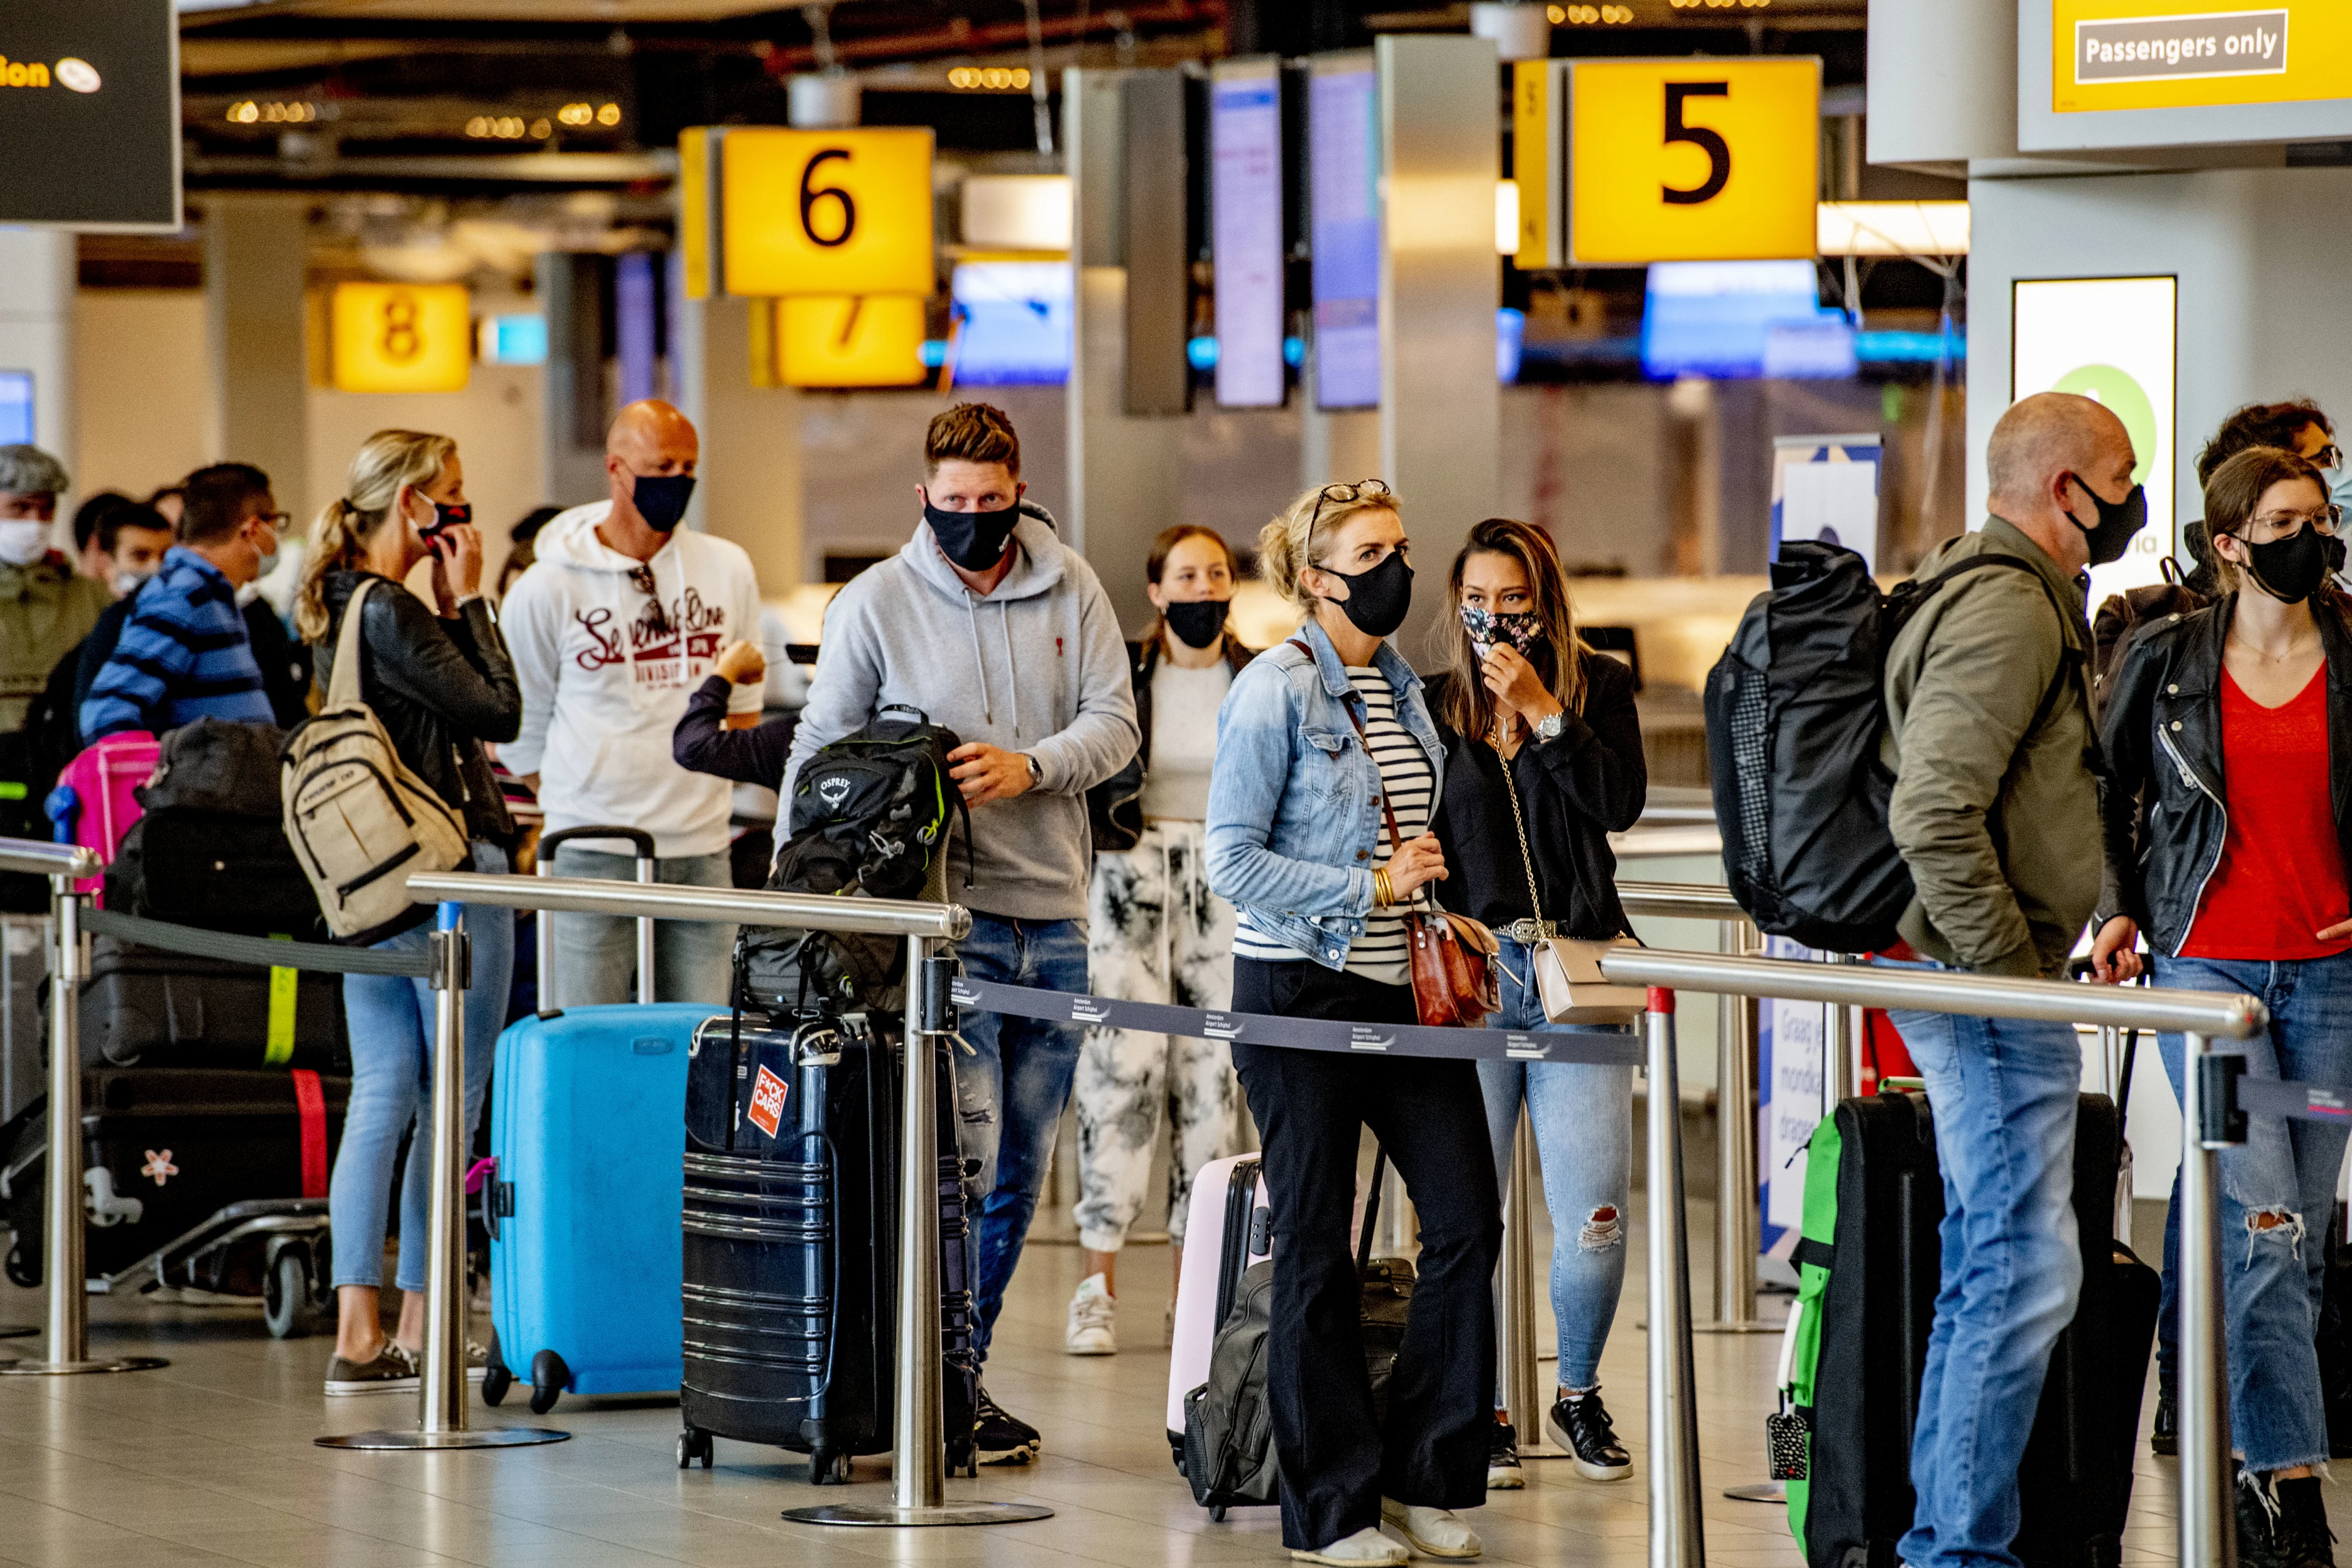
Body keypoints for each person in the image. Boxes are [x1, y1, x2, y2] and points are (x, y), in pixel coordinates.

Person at [782, 401, 1137, 1465]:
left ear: (1018, 493)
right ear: (924, 500)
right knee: (961, 1163)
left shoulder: (1072, 583)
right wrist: (792, 886)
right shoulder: (878, 602)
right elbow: (820, 743)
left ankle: (955, 1374)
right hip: (946, 931)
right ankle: (941, 1379)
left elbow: (1116, 722)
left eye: (993, 503)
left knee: (1021, 1172)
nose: (975, 521)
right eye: (955, 504)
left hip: (1057, 920)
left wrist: (1034, 765)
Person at [1205, 480, 1499, 1567]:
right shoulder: (1275, 691)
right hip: (1300, 993)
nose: (1396, 566)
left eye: (1402, 546)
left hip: (1405, 993)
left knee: (1468, 1222)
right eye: (1372, 550)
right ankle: (1330, 1509)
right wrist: (1368, 886)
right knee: (1320, 1247)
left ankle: (1428, 1471)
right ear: (1315, 576)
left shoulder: (1407, 694)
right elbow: (1230, 861)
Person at [1877, 391, 2139, 1568]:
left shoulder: (2001, 591)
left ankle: (1954, 1535)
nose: (2132, 501)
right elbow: (1932, 811)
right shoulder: (2008, 608)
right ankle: (1958, 1553)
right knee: (2019, 1264)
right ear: (2064, 492)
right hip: (1986, 982)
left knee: (2001, 1259)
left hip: (1994, 969)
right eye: (2119, 476)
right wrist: (2008, 975)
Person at [2094, 444, 2348, 1568]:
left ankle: (2227, 1424)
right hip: (2209, 978)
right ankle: (2287, 1483)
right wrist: (2113, 910)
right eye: (2289, 518)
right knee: (2263, 1223)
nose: (2315, 535)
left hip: (2332, 979)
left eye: (2323, 515)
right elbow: (2103, 790)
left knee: (2301, 1242)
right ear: (2231, 542)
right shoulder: (2166, 657)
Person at [293, 430, 521, 1395]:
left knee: (382, 1093)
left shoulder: (333, 607)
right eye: (454, 495)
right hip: (445, 874)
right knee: (452, 1101)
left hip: (365, 882)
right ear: (414, 505)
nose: (465, 511)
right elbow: (498, 709)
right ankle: (424, 1322)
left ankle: (357, 1331)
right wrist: (471, 597)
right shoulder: (391, 606)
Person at [1425, 517, 1645, 1489]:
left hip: (1579, 975)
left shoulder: (1601, 686)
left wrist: (1548, 712)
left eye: (1512, 599)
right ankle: (1486, 1407)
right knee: (1468, 1214)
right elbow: (1410, 829)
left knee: (1594, 1213)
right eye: (1476, 599)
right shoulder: (1432, 705)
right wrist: (1439, 908)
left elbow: (1619, 803)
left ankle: (1578, 1391)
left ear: (1544, 601)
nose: (1493, 618)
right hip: (1474, 984)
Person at [500, 399, 764, 1008]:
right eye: (661, 465)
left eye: (688, 466)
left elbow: (744, 711)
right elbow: (521, 726)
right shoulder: (548, 585)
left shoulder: (727, 568)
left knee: (701, 1040)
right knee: (586, 1033)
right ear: (617, 470)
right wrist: (581, 791)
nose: (678, 480)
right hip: (589, 849)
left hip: (701, 847)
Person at [1065, 524, 1253, 1357]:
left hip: (1228, 883)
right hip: (1130, 880)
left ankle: (1196, 1296)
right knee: (1118, 1074)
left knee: (1214, 1086)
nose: (1203, 588)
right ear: (1156, 590)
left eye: (1216, 573)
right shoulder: (1122, 677)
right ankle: (1096, 1286)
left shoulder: (1257, 678)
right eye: (1186, 574)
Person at [79, 462, 282, 742]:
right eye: (277, 526)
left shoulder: (208, 593)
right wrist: (164, 780)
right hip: (201, 787)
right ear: (253, 530)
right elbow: (105, 713)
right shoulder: (183, 595)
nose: (277, 541)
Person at [0, 445, 109, 732]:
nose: (36, 522)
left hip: (63, 766)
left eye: (47, 508)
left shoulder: (92, 598)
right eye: (20, 507)